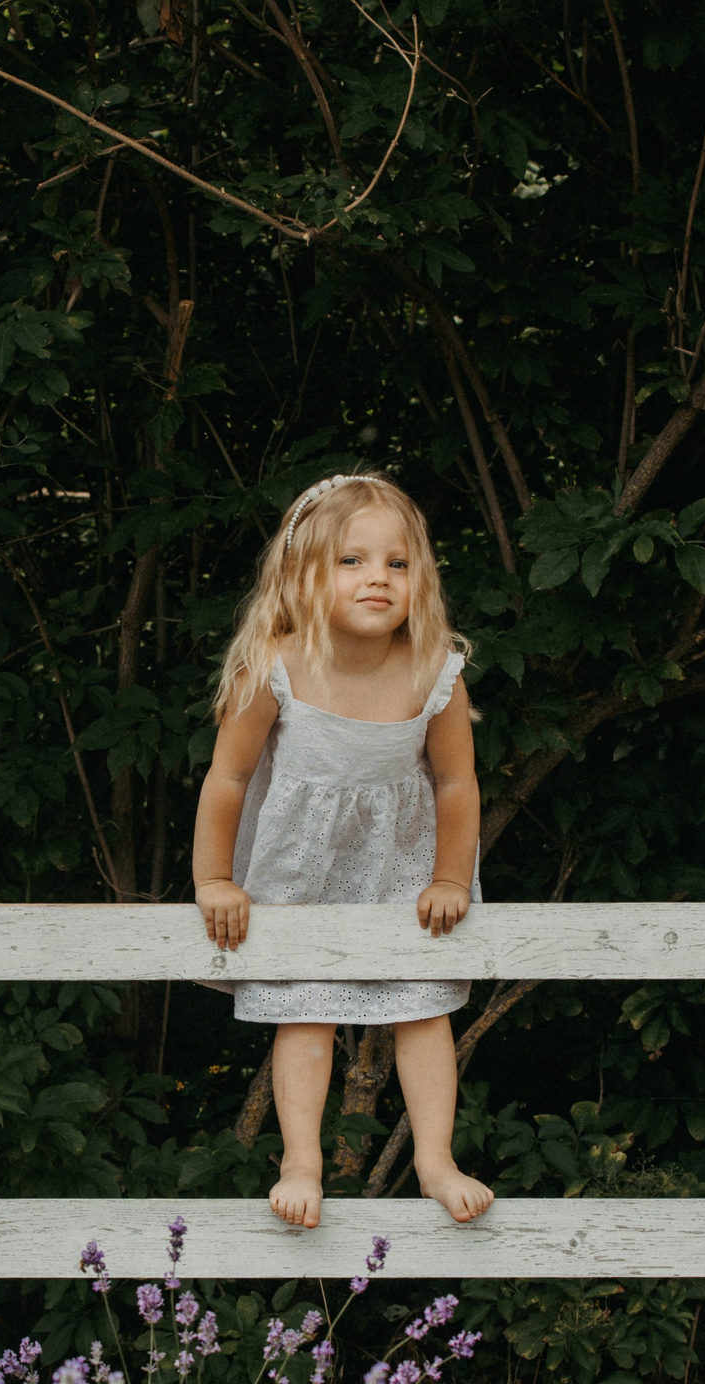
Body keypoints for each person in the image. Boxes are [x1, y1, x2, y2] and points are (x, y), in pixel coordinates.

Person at [193, 471, 495, 1230]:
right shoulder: (278, 666)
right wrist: (215, 880)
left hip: (403, 872)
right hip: (302, 873)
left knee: (424, 1011)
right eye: (352, 561)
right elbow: (227, 779)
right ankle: (301, 1159)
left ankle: (435, 1157)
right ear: (304, 575)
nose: (378, 579)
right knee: (307, 1014)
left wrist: (452, 876)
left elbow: (457, 786)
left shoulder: (435, 671)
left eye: (397, 563)